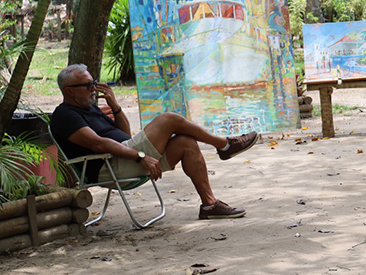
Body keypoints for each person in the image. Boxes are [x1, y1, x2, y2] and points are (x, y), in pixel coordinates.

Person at [50, 64, 256, 220]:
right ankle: (224, 145)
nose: (94, 88)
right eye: (88, 85)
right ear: (69, 91)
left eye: (94, 82)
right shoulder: (65, 115)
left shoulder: (89, 108)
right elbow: (97, 144)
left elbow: (124, 134)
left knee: (186, 142)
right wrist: (140, 157)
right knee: (168, 119)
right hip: (110, 165)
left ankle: (210, 205)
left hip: (125, 156)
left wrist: (115, 106)